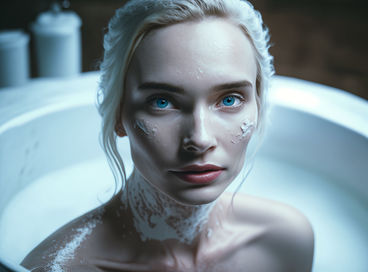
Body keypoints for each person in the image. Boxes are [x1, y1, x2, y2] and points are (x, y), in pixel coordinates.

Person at [21, 0, 314, 271]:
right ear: (119, 116)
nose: (199, 139)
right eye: (161, 101)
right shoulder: (57, 268)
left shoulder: (284, 241)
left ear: (258, 107)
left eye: (229, 99)